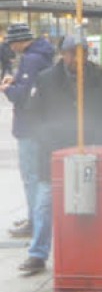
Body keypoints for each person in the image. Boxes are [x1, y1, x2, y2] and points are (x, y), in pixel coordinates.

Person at [19, 35, 102, 274]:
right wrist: (49, 142)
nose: (78, 59)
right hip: (54, 152)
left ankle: (89, 250)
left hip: (89, 151)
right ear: (63, 54)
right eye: (73, 54)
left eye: (83, 53)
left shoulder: (97, 76)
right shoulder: (46, 79)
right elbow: (33, 116)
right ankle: (37, 254)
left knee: (92, 201)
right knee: (44, 202)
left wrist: (100, 140)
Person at [0, 23, 54, 238]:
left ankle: (34, 221)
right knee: (38, 175)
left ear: (20, 41)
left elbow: (23, 95)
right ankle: (37, 217)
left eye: (12, 43)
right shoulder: (42, 54)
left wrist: (7, 88)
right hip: (40, 125)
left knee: (31, 177)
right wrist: (16, 80)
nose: (11, 47)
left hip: (29, 127)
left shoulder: (31, 59)